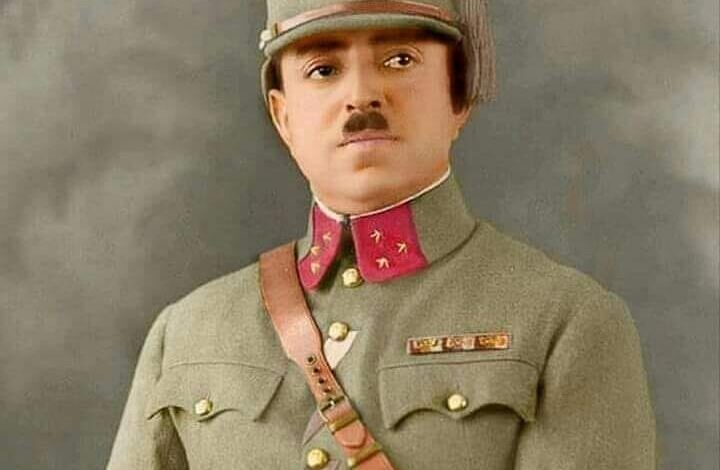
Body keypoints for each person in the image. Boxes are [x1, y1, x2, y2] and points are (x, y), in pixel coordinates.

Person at [107, 1, 657, 469]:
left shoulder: (566, 323)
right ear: (283, 116)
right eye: (323, 69)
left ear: (458, 94)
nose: (362, 95)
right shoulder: (185, 334)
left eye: (399, 60)